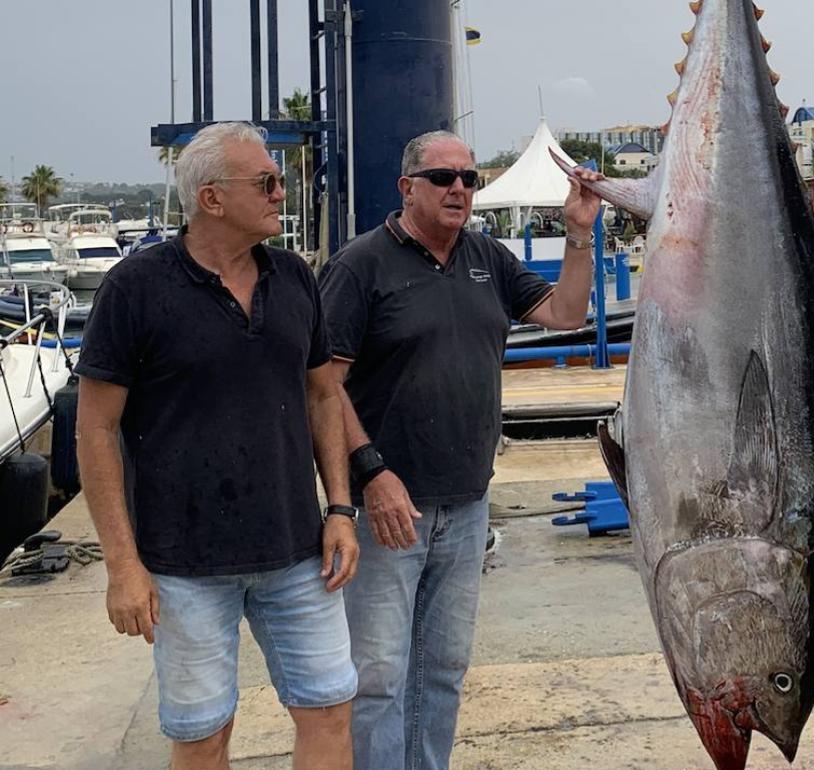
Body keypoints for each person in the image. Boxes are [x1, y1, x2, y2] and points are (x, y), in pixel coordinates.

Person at [75, 122, 359, 770]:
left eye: (279, 180)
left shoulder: (294, 278)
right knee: (203, 736)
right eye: (265, 181)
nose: (280, 193)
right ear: (210, 198)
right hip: (181, 568)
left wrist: (340, 509)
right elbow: (94, 430)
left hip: (297, 554)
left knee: (331, 711)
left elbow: (322, 396)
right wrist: (122, 565)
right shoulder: (135, 289)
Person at [318, 130, 603, 770]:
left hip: (469, 502)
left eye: (469, 179)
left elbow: (565, 312)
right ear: (406, 187)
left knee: (443, 668)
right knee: (379, 675)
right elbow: (324, 387)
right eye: (443, 177)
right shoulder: (360, 266)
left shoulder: (486, 256)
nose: (459, 190)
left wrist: (579, 232)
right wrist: (371, 474)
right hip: (388, 507)